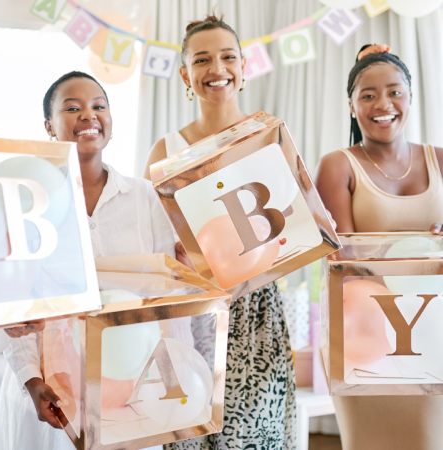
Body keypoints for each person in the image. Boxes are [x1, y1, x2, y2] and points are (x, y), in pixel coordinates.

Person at [0, 71, 176, 450]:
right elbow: (9, 300)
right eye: (72, 108)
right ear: (49, 126)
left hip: (131, 389)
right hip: (52, 393)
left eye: (99, 106)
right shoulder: (25, 202)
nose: (88, 115)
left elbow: (165, 298)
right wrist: (31, 379)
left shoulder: (144, 197)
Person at [144, 14, 296, 450]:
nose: (217, 69)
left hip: (256, 311)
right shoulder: (166, 151)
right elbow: (153, 244)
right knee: (187, 433)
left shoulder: (268, 134)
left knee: (255, 435)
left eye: (228, 57)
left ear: (245, 67)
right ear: (185, 74)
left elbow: (295, 226)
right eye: (203, 59)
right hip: (189, 315)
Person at [315, 45, 443, 450]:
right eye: (367, 95)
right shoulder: (337, 165)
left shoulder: (440, 159)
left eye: (394, 91)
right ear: (351, 106)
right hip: (365, 337)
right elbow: (345, 265)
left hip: (433, 334)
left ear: (410, 97)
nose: (382, 104)